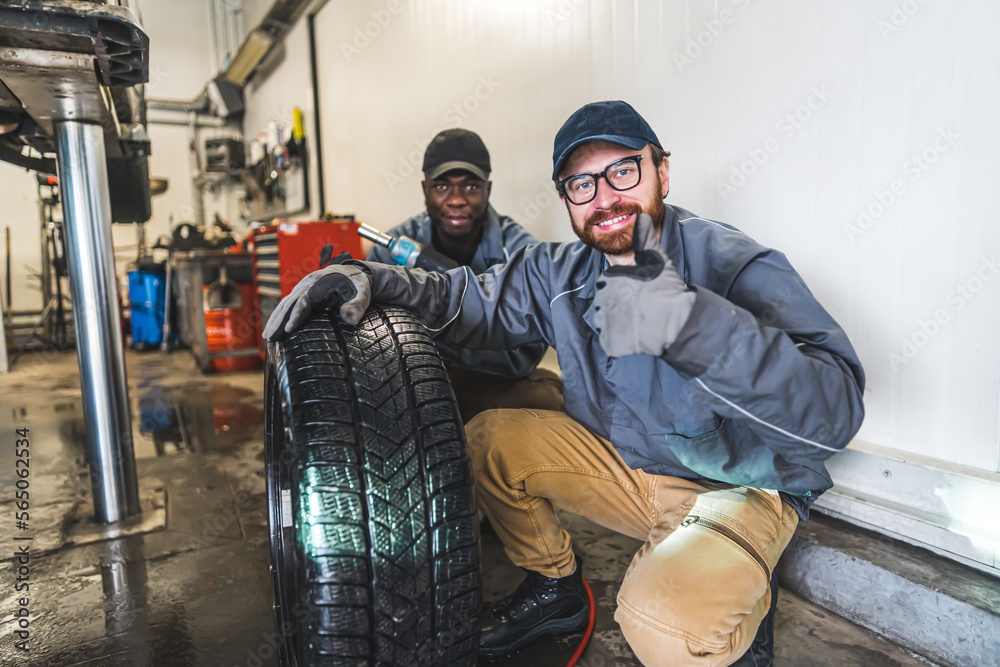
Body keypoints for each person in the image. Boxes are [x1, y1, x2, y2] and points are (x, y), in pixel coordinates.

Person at [264, 101, 866, 667]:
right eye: (583, 184)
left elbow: (833, 409)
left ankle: (746, 600)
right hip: (632, 470)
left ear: (661, 169)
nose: (605, 198)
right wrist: (370, 276)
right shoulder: (558, 271)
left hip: (738, 486)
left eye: (623, 171)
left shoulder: (731, 261)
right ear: (567, 198)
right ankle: (556, 587)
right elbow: (462, 297)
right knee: (487, 441)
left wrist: (694, 325)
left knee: (665, 628)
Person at [367, 128, 564, 421]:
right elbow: (377, 347)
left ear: (489, 188)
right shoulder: (390, 250)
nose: (456, 199)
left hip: (489, 384)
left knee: (546, 398)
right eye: (442, 186)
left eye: (471, 187)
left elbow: (519, 359)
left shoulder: (521, 253)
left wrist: (428, 323)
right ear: (425, 189)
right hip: (410, 383)